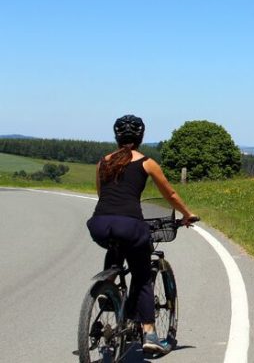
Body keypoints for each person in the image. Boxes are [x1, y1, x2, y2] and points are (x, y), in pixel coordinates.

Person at [86, 114, 198, 354]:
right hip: (130, 224)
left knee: (116, 247)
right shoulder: (146, 162)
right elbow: (170, 194)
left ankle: (109, 289)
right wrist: (187, 214)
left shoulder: (102, 162)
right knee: (142, 275)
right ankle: (149, 332)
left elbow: (101, 193)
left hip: (98, 224)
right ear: (141, 137)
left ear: (116, 136)